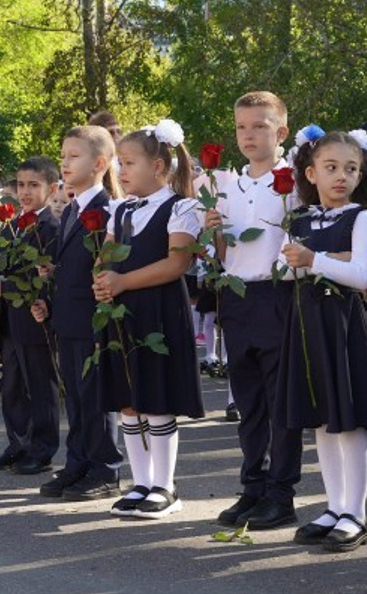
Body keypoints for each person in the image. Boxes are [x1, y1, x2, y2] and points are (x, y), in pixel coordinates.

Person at [276, 130, 367, 551]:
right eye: (331, 168)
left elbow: (362, 276)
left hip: (343, 325)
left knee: (348, 422)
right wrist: (325, 262)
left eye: (351, 168)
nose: (341, 176)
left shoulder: (361, 217)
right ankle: (333, 506)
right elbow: (282, 266)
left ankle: (355, 513)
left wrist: (313, 261)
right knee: (324, 422)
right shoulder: (298, 218)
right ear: (311, 173)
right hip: (308, 325)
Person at [93, 121, 204, 518]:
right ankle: (140, 483)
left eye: (128, 163)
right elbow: (106, 255)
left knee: (156, 398)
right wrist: (103, 282)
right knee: (128, 398)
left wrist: (122, 281)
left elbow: (176, 263)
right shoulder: (120, 209)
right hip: (123, 312)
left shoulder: (182, 207)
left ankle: (165, 486)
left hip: (158, 310)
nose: (120, 171)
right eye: (119, 163)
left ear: (158, 167)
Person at [208, 92, 304, 530]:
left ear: (280, 132)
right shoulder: (228, 185)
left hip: (277, 296)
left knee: (279, 400)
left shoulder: (295, 183)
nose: (249, 135)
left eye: (259, 126)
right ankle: (253, 485)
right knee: (248, 402)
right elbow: (227, 251)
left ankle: (281, 493)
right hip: (237, 296)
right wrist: (214, 233)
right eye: (242, 127)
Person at [32, 125, 124, 502]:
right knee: (75, 394)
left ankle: (105, 467)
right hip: (68, 317)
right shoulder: (72, 209)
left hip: (93, 318)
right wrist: (50, 294)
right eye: (63, 155)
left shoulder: (105, 210)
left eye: (74, 156)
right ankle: (78, 461)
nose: (65, 163)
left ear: (100, 163)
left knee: (96, 394)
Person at [0, 155, 63, 474]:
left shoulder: (51, 227)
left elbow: (46, 275)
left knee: (39, 384)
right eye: (21, 185)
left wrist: (8, 289)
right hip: (10, 318)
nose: (25, 191)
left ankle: (42, 448)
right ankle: (18, 442)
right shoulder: (14, 225)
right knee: (13, 383)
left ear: (52, 187)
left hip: (35, 314)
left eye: (34, 185)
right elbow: (4, 264)